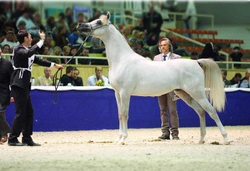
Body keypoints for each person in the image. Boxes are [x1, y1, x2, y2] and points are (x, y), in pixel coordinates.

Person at [8, 30, 64, 146]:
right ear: (25, 39)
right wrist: (42, 40)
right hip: (18, 83)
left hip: (24, 84)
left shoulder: (28, 51)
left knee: (29, 112)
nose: (31, 38)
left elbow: (40, 60)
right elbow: (30, 53)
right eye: (29, 36)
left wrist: (55, 65)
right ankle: (12, 138)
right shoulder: (18, 50)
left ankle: (27, 137)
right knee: (21, 112)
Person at [153, 38, 181, 140]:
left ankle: (175, 133)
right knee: (163, 110)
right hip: (160, 87)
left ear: (169, 46)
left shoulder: (177, 58)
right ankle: (165, 132)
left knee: (173, 110)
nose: (163, 47)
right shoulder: (156, 58)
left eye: (165, 45)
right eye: (161, 45)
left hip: (172, 87)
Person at [0, 47, 13, 144]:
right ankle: (4, 133)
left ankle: (5, 132)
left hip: (3, 93)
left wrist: (13, 94)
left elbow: (12, 81)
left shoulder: (7, 64)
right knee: (1, 114)